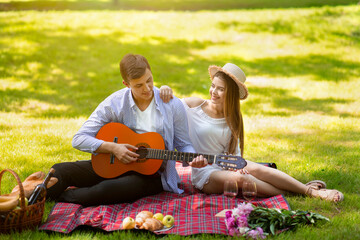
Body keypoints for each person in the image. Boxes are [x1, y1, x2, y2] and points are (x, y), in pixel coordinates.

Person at [160, 63, 344, 202]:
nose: (213, 92)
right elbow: (168, 104)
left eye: (220, 89)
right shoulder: (194, 105)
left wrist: (240, 166)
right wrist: (165, 90)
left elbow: (234, 156)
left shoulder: (233, 120)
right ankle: (306, 191)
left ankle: (307, 191)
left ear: (230, 94)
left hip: (224, 165)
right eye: (213, 86)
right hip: (204, 173)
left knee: (253, 167)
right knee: (239, 179)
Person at [46, 53, 206, 206]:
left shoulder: (171, 104)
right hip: (116, 163)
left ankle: (57, 197)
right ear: (126, 84)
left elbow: (184, 144)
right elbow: (79, 139)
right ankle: (34, 196)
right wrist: (114, 148)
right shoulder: (114, 103)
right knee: (60, 170)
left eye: (149, 80)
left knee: (105, 189)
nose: (147, 88)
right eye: (139, 85)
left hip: (152, 175)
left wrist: (193, 158)